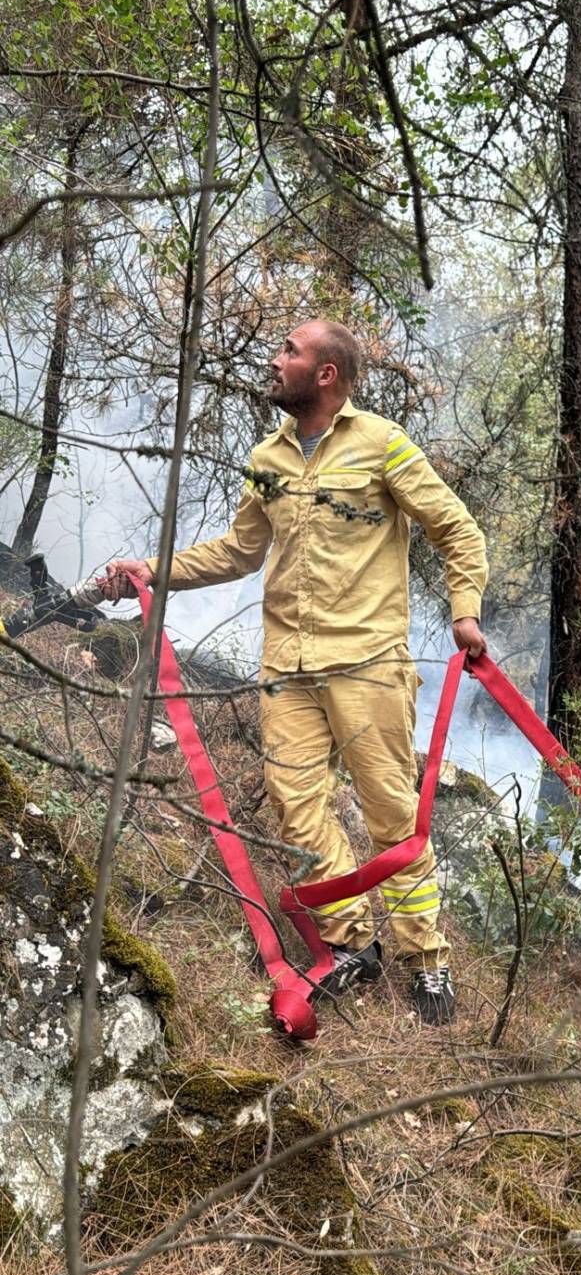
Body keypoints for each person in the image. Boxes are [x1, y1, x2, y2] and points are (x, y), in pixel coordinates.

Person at [102, 319, 487, 1025]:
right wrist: (148, 571)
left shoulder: (382, 444)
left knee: (392, 815)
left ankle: (426, 961)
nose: (275, 360)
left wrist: (465, 612)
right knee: (295, 802)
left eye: (289, 351)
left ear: (326, 374)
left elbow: (456, 527)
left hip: (368, 663)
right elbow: (240, 551)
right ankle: (349, 942)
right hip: (286, 666)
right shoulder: (267, 457)